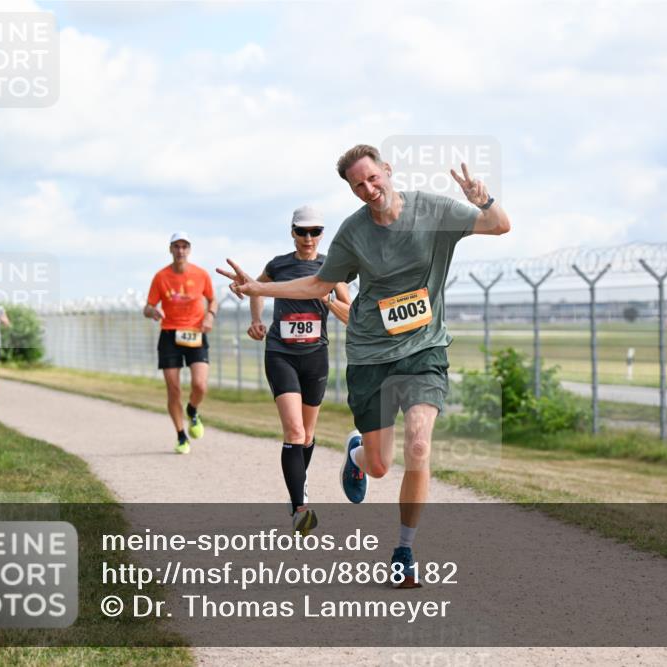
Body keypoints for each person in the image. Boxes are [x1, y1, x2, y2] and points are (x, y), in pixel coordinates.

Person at [219, 144, 510, 586]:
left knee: (418, 445)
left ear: (387, 171)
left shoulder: (433, 210)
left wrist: (481, 199)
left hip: (423, 349)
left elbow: (499, 225)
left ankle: (404, 550)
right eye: (359, 185)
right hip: (371, 355)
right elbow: (319, 284)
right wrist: (261, 287)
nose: (369, 189)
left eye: (373, 178)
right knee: (379, 466)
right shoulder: (353, 234)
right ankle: (357, 453)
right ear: (352, 190)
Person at [245, 206, 352, 535]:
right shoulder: (278, 265)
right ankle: (299, 508)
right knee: (293, 433)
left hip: (315, 356)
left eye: (315, 231)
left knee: (306, 435)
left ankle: (298, 486)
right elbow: (255, 288)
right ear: (292, 232)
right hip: (281, 353)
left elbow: (352, 316)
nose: (308, 238)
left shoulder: (332, 268)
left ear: (322, 234)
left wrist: (329, 301)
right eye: (301, 231)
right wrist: (257, 320)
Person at [144, 232, 217, 454]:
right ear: (170, 249)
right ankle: (181, 435)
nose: (180, 251)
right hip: (169, 334)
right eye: (176, 246)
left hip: (195, 332)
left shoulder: (201, 274)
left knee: (200, 384)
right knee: (173, 389)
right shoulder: (161, 277)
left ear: (190, 249)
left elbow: (212, 298)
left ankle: (192, 410)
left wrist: (210, 315)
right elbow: (147, 307)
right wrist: (153, 312)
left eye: (184, 246)